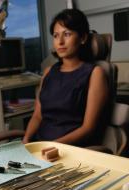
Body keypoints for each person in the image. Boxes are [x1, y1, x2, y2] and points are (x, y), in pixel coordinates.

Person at [23, 8, 109, 147]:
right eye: (56, 36)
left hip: (71, 149)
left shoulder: (95, 73)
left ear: (83, 38)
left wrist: (53, 146)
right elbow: (38, 116)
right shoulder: (49, 72)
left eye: (67, 34)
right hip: (40, 146)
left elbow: (88, 128)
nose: (60, 42)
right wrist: (26, 140)